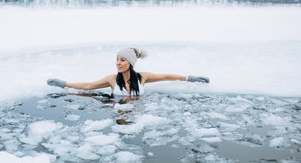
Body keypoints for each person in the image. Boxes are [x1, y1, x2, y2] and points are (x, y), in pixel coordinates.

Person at [47, 47, 209, 97]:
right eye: (117, 59)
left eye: (122, 60)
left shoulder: (141, 77)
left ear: (130, 63)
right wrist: (64, 84)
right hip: (117, 109)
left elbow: (165, 76)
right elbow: (89, 85)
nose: (118, 63)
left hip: (139, 115)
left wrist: (189, 78)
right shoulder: (112, 79)